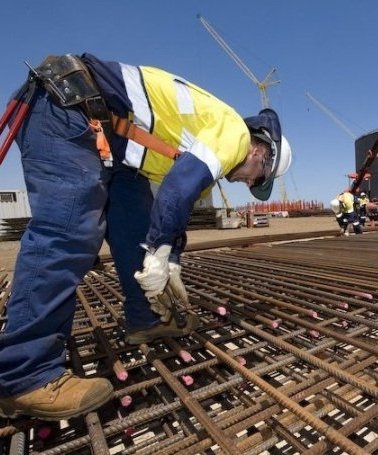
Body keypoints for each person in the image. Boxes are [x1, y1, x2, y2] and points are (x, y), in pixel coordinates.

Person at [0, 53, 292, 421]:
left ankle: (146, 318)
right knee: (69, 232)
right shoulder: (233, 134)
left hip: (112, 143)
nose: (247, 183)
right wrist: (161, 249)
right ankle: (25, 375)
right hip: (68, 108)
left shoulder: (197, 148)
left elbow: (171, 207)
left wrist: (169, 258)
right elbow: (179, 189)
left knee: (135, 228)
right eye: (257, 178)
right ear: (260, 151)